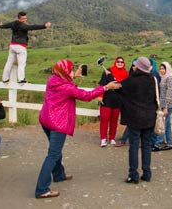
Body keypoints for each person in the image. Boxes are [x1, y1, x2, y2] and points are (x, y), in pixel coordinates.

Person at [35, 59, 120, 199]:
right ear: (65, 72)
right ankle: (42, 189)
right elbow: (85, 96)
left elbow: (64, 81)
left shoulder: (53, 79)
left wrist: (73, 76)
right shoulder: (67, 87)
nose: (73, 71)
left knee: (55, 150)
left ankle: (59, 175)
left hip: (46, 119)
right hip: (58, 123)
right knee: (53, 154)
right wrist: (106, 87)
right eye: (71, 70)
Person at [116, 57, 157, 183]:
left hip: (134, 118)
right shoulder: (152, 79)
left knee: (133, 146)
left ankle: (133, 175)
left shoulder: (131, 80)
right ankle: (147, 173)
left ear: (138, 67)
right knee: (146, 145)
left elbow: (120, 90)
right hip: (149, 117)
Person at [0, 11, 51, 83]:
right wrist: (44, 26)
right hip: (20, 46)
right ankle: (21, 79)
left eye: (25, 18)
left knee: (9, 62)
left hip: (12, 45)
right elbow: (33, 27)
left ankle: (5, 79)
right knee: (21, 63)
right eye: (23, 19)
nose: (25, 20)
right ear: (19, 19)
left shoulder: (13, 23)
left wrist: (0, 26)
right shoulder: (23, 26)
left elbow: (5, 25)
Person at [98, 56, 128, 147]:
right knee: (104, 119)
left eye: (121, 62)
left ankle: (112, 138)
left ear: (124, 63)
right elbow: (102, 85)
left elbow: (126, 87)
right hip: (107, 99)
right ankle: (103, 138)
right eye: (118, 61)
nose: (119, 63)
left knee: (114, 121)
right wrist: (100, 96)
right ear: (115, 62)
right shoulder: (107, 71)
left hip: (118, 100)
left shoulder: (126, 74)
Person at [152, 62, 172, 151]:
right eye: (161, 69)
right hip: (164, 104)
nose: (162, 71)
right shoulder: (163, 78)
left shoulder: (169, 78)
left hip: (168, 105)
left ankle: (157, 144)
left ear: (168, 69)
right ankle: (170, 143)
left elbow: (169, 93)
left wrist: (166, 107)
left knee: (163, 124)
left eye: (164, 69)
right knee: (167, 124)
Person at [115, 58, 138, 147]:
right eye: (133, 65)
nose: (134, 67)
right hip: (130, 103)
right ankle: (126, 140)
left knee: (132, 123)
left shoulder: (144, 77)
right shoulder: (130, 76)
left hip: (137, 103)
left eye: (136, 65)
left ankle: (125, 140)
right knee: (131, 122)